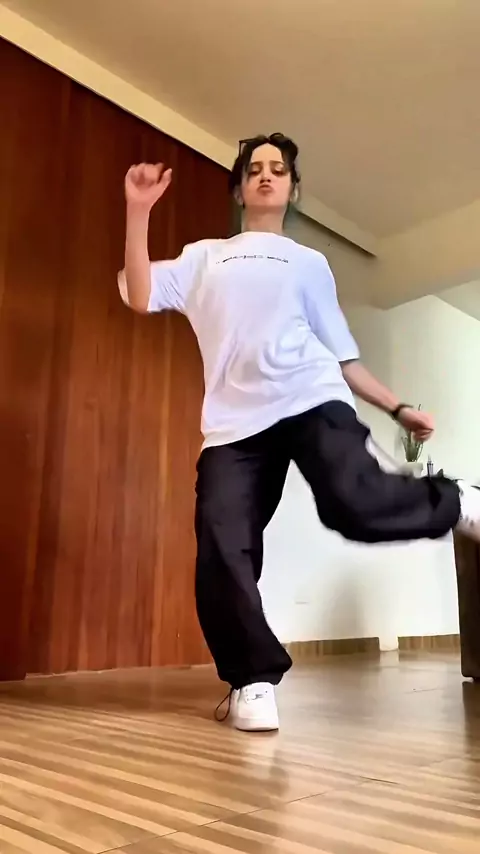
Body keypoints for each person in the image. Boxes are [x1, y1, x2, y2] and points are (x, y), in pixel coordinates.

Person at [119, 132, 480, 733]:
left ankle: (458, 500)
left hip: (311, 397)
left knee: (353, 506)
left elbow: (342, 356)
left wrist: (397, 408)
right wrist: (138, 212)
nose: (266, 175)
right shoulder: (204, 256)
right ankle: (251, 680)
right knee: (222, 543)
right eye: (254, 168)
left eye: (278, 169)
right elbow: (138, 294)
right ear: (239, 189)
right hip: (235, 423)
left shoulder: (310, 263)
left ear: (291, 189)